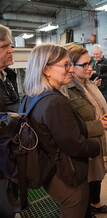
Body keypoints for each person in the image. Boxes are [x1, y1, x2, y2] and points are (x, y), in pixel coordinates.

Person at [23, 43, 100, 218]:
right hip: (66, 174)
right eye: (65, 65)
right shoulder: (55, 102)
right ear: (46, 70)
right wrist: (95, 148)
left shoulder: (32, 96)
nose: (71, 70)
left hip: (48, 169)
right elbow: (74, 144)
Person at [62, 45, 107, 215]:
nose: (90, 68)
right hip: (84, 143)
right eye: (84, 65)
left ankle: (96, 204)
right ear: (70, 66)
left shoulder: (89, 84)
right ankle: (87, 210)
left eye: (90, 63)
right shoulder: (67, 90)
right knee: (85, 180)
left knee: (96, 176)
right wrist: (99, 125)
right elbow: (68, 128)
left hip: (97, 139)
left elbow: (98, 109)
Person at [0, 24, 18, 218]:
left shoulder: (8, 75)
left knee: (12, 195)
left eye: (10, 45)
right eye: (5, 46)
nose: (11, 50)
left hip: (10, 151)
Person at [90, 44, 107, 112]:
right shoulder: (89, 61)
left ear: (101, 53)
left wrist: (93, 73)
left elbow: (106, 75)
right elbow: (86, 75)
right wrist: (98, 74)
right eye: (94, 54)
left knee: (105, 110)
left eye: (97, 54)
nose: (95, 56)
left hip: (103, 90)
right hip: (91, 90)